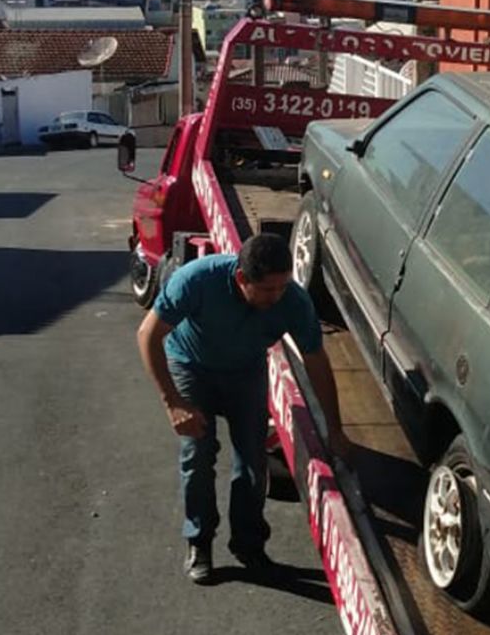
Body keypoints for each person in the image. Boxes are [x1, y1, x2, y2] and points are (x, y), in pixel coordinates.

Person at [136, 233, 349, 584]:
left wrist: (335, 429)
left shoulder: (292, 301)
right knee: (198, 455)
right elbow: (148, 335)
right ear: (241, 278)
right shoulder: (197, 280)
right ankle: (199, 541)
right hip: (191, 364)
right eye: (267, 290)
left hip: (245, 370)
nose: (275, 297)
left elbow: (316, 362)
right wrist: (174, 402)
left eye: (282, 287)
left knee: (253, 458)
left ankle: (249, 545)